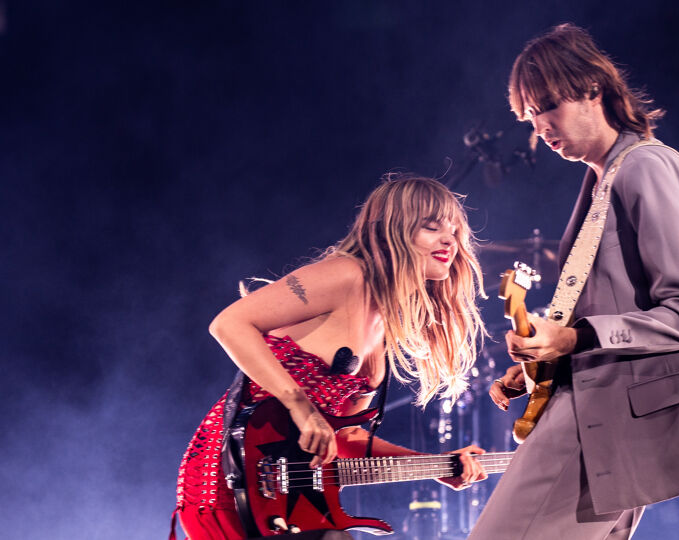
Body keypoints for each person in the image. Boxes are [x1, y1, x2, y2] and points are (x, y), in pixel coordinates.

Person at [475, 24, 679, 539]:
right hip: (603, 418)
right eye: (530, 117)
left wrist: (576, 339)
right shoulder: (606, 175)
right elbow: (612, 304)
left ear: (592, 89)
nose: (541, 128)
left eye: (548, 107)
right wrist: (548, 361)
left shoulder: (644, 168)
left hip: (605, 419)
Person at [175, 175, 490, 540]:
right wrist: (300, 406)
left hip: (290, 498)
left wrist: (434, 466)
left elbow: (348, 437)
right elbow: (229, 323)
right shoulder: (346, 275)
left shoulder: (382, 326)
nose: (449, 239)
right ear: (390, 232)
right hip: (233, 479)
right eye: (432, 227)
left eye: (455, 229)